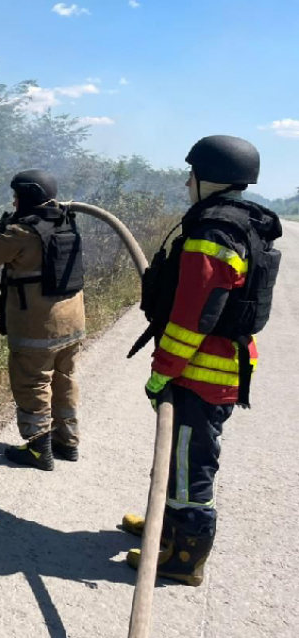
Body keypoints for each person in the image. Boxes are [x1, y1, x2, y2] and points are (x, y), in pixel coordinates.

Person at [124, 135, 283, 586]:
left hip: (201, 370)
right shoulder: (239, 222)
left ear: (207, 179)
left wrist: (162, 372)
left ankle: (184, 558)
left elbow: (193, 317)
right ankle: (165, 528)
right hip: (216, 365)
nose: (186, 181)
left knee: (192, 464)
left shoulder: (213, 232)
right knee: (178, 454)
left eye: (191, 174)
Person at [0, 169, 86, 471]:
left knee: (33, 382)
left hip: (39, 326)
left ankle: (37, 449)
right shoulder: (64, 220)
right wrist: (9, 222)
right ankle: (66, 441)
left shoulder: (22, 233)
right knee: (64, 380)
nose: (13, 200)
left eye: (16, 196)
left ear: (27, 197)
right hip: (72, 323)